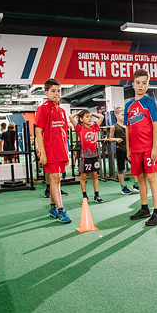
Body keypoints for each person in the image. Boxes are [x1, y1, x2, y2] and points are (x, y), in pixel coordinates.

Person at [125, 69, 157, 226]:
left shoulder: (150, 103)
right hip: (134, 149)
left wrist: (155, 148)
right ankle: (144, 208)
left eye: (144, 83)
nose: (140, 86)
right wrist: (128, 149)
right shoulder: (128, 105)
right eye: (138, 83)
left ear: (148, 86)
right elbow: (128, 128)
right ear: (133, 84)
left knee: (152, 178)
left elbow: (156, 126)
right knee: (139, 178)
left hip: (148, 148)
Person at [35, 79, 72, 224]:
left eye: (58, 91)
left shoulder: (62, 111)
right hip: (49, 151)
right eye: (53, 91)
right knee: (55, 179)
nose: (57, 94)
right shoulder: (42, 109)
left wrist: (67, 152)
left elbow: (64, 133)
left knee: (56, 180)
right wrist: (42, 153)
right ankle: (61, 210)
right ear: (46, 93)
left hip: (61, 151)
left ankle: (52, 207)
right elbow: (38, 132)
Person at [71, 109, 105, 203]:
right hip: (84, 157)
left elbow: (101, 117)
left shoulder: (94, 127)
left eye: (90, 117)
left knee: (95, 176)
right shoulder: (80, 128)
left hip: (94, 156)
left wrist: (90, 113)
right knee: (83, 177)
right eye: (87, 117)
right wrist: (79, 112)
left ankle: (97, 195)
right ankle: (84, 196)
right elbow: (70, 117)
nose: (90, 118)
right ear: (81, 119)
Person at [109, 106, 133, 195]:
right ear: (116, 115)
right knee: (121, 169)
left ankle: (136, 184)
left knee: (135, 167)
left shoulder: (128, 125)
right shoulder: (114, 127)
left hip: (130, 150)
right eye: (122, 115)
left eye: (125, 115)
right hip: (120, 150)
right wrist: (116, 139)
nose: (124, 117)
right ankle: (123, 187)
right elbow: (110, 138)